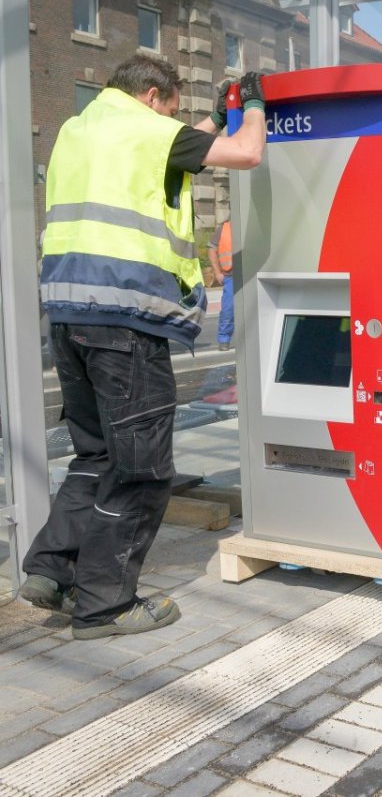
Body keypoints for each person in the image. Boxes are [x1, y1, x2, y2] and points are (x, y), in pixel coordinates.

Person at [20, 55, 267, 640]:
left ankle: (51, 572)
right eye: (173, 109)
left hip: (69, 318)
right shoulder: (150, 131)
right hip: (124, 324)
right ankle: (104, 606)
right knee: (142, 470)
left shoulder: (78, 129)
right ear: (153, 96)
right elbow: (247, 153)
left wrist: (211, 118)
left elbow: (168, 151)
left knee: (96, 457)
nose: (173, 121)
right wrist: (254, 106)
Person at [207, 217, 235, 351]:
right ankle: (224, 339)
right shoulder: (224, 228)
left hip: (251, 274)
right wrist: (217, 272)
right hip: (231, 276)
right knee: (228, 310)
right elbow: (211, 249)